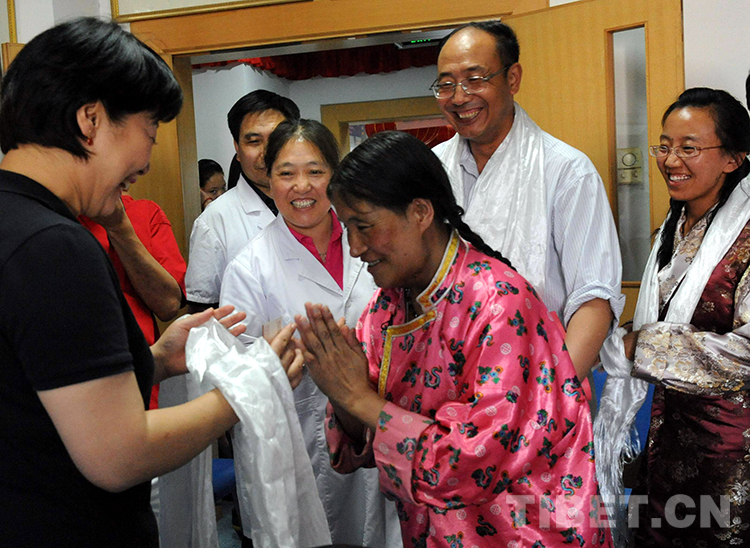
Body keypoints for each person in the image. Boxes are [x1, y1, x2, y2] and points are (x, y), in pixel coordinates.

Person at [0, 18, 300, 548]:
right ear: (91, 120)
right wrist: (254, 385)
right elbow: (118, 455)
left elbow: (38, 383)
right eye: (151, 131)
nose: (144, 163)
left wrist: (154, 359)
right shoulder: (55, 246)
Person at [296, 131, 612, 548]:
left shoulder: (499, 304)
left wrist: (356, 397)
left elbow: (470, 462)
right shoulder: (385, 310)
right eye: (347, 228)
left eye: (365, 227)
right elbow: (364, 445)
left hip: (524, 531)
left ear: (420, 212)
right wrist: (340, 389)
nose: (355, 248)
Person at [220, 119, 400, 547]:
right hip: (300, 441)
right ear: (268, 180)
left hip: (384, 429)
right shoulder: (249, 269)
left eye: (315, 171)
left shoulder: (376, 241)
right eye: (286, 173)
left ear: (335, 176)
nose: (302, 187)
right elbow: (236, 378)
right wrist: (274, 365)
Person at [596, 88, 750, 547]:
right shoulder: (676, 226)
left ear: (733, 158)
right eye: (664, 146)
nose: (670, 160)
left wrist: (642, 345)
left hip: (730, 452)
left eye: (689, 148)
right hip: (666, 437)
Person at [431, 20, 623, 380]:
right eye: (446, 84)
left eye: (475, 79)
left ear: (513, 78)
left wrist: (551, 395)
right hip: (447, 383)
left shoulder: (566, 170)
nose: (459, 97)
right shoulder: (429, 168)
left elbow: (594, 300)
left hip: (542, 380)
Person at [185, 90, 299, 313]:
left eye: (277, 139)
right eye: (254, 141)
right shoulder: (215, 220)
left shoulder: (320, 204)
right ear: (237, 148)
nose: (266, 153)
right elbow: (202, 308)